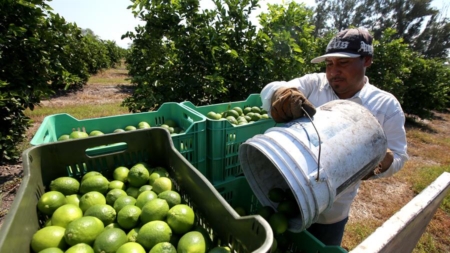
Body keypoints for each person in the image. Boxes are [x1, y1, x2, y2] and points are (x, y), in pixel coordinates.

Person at [260, 28, 409, 246]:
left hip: (332, 210)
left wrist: (380, 162)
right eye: (329, 63)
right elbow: (272, 88)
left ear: (366, 60)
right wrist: (281, 95)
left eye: (343, 63)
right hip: (286, 189)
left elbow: (399, 156)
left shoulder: (385, 105)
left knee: (321, 246)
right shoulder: (315, 84)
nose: (333, 71)